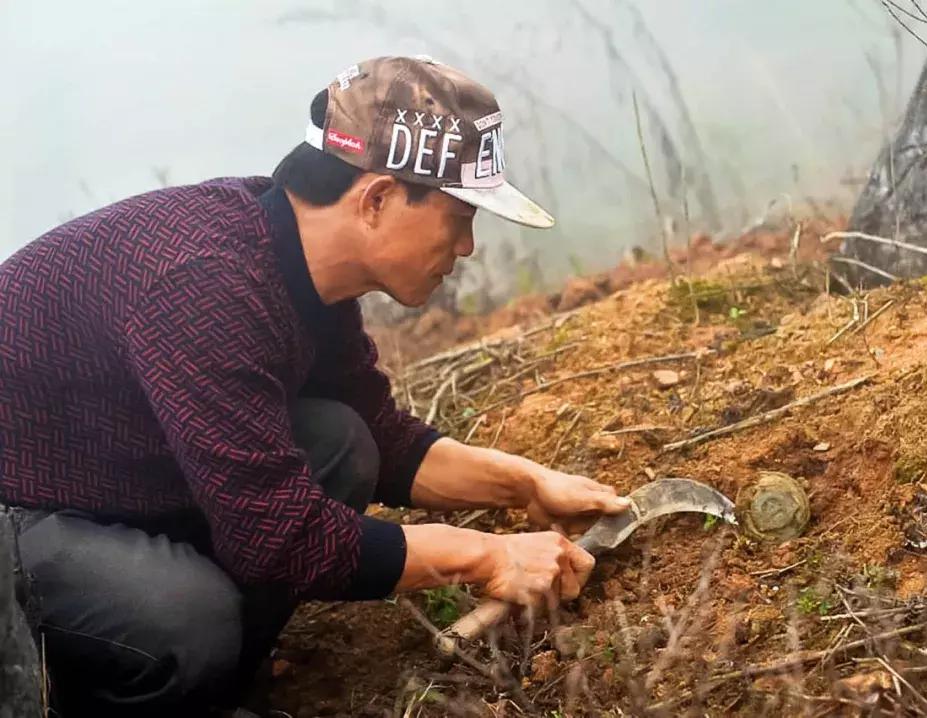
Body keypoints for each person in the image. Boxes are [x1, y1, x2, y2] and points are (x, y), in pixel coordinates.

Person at [0, 55, 628, 716]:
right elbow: (281, 542)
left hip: (102, 476)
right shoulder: (205, 283)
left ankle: (211, 685)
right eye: (458, 217)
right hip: (16, 508)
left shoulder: (291, 258)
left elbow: (382, 441)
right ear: (378, 199)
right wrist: (486, 556)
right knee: (187, 622)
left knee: (342, 443)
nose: (467, 246)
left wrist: (525, 485)